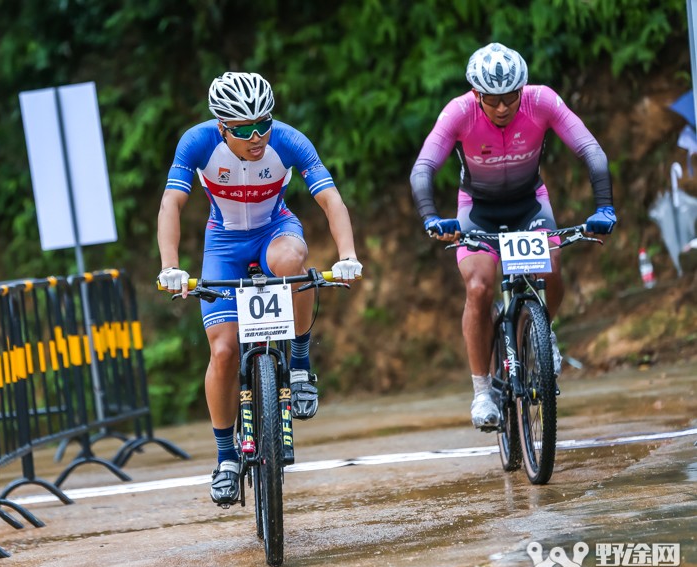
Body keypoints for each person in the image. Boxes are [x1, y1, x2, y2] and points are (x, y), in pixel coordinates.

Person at [157, 72, 362, 505]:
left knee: (292, 264)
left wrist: (347, 256)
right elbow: (171, 204)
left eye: (263, 124)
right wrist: (170, 266)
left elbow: (330, 199)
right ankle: (226, 457)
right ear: (221, 127)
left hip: (275, 230)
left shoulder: (288, 140)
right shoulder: (196, 143)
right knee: (225, 351)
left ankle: (301, 364)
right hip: (224, 243)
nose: (256, 136)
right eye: (243, 129)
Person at [409, 42, 616, 430]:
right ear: (476, 93)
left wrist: (604, 205)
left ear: (522, 90)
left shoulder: (542, 101)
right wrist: (431, 217)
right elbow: (423, 168)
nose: (503, 107)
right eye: (493, 99)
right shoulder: (459, 112)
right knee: (478, 288)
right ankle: (482, 390)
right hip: (478, 208)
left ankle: (542, 334)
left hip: (529, 204)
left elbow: (590, 149)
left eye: (510, 98)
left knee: (552, 268)